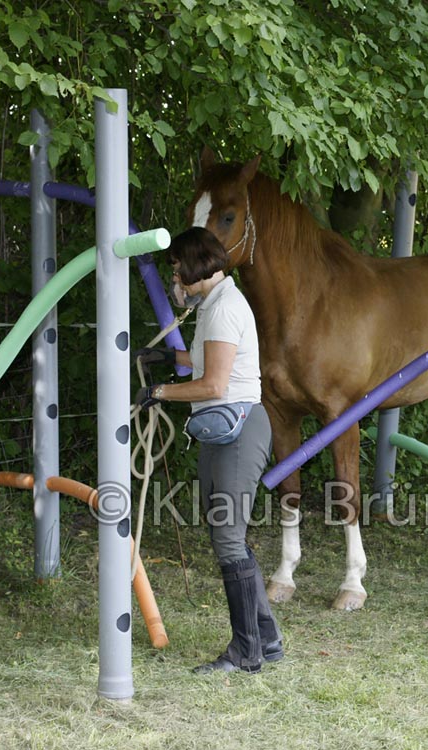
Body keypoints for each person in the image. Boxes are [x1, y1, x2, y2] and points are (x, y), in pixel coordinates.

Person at [135, 226, 283, 674]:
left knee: (228, 540)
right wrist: (163, 359)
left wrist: (158, 392)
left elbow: (215, 384)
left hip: (237, 427)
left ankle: (246, 652)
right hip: (224, 429)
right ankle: (267, 641)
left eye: (178, 268)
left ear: (198, 265)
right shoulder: (216, 304)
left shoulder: (221, 309)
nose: (176, 278)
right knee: (228, 537)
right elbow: (209, 362)